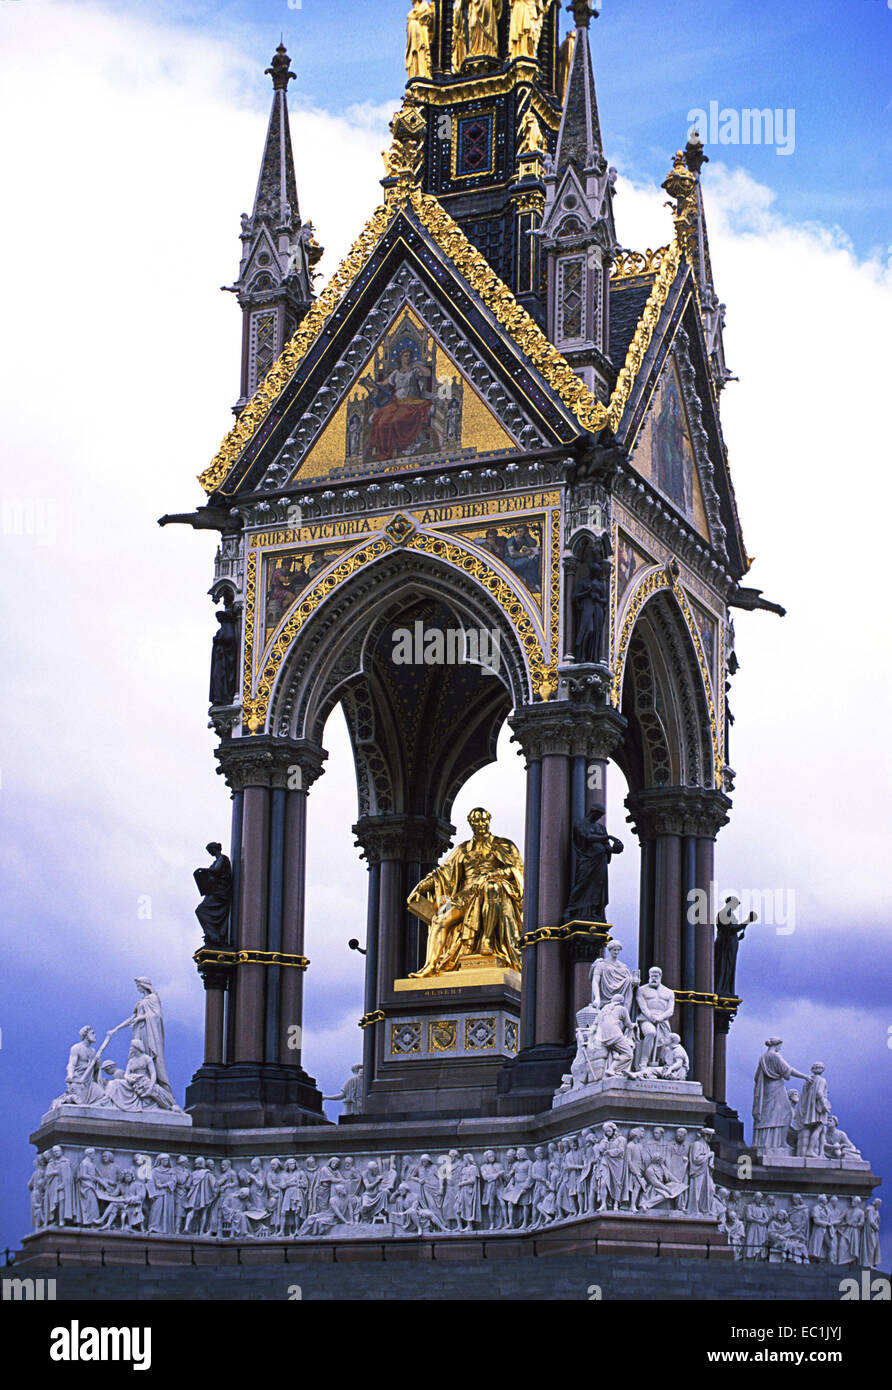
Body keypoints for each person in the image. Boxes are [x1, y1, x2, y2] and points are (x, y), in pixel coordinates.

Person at [408, 808, 523, 976]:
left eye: (484, 820)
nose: (481, 824)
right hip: (464, 896)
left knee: (492, 889)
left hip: (491, 891)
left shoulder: (503, 845)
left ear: (489, 820)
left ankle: (487, 939)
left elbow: (515, 869)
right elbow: (442, 873)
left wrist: (491, 875)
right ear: (471, 824)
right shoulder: (463, 849)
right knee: (440, 918)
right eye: (476, 821)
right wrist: (420, 887)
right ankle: (430, 966)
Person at [565, 811, 624, 925]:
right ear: (592, 813)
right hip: (587, 860)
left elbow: (607, 846)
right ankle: (572, 909)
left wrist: (615, 849)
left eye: (600, 816)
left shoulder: (601, 828)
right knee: (583, 882)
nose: (599, 818)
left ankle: (594, 911)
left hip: (600, 861)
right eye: (598, 815)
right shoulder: (581, 824)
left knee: (598, 886)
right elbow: (586, 837)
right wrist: (608, 836)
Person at [752, 1038, 808, 1151]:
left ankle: (765, 1141)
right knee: (786, 1113)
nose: (780, 1048)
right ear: (777, 1045)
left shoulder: (763, 1057)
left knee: (767, 1114)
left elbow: (756, 1077)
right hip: (776, 1088)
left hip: (767, 1088)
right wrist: (804, 1076)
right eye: (780, 1046)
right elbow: (788, 1070)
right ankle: (780, 1143)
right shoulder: (775, 1056)